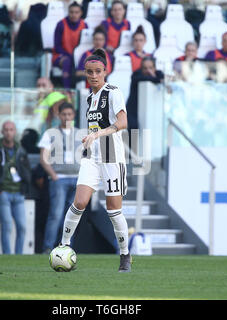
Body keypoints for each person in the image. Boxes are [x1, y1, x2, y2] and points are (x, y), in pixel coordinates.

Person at [58, 48, 132, 272]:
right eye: (89, 72)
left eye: (97, 71)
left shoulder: (113, 91)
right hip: (92, 155)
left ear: (105, 72)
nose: (93, 76)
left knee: (113, 210)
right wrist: (89, 136)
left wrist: (97, 134)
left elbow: (122, 122)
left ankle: (125, 255)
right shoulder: (89, 97)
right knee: (79, 202)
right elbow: (94, 126)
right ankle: (63, 246)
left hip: (111, 153)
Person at [38, 102, 81, 253]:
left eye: (69, 114)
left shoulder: (81, 133)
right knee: (56, 214)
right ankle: (48, 247)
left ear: (73, 115)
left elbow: (90, 157)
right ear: (59, 115)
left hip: (77, 180)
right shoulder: (50, 133)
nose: (67, 117)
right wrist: (53, 175)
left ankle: (66, 248)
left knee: (72, 217)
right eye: (64, 114)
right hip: (59, 179)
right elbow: (43, 158)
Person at [0, 121, 32, 255]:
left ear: (15, 132)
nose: (8, 132)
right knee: (7, 225)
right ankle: (7, 256)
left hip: (18, 193)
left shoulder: (21, 150)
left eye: (11, 129)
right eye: (6, 130)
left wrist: (25, 188)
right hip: (3, 192)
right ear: (2, 132)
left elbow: (27, 171)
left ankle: (18, 256)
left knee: (22, 227)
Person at [52, 1, 88, 88]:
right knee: (67, 62)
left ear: (81, 13)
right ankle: (67, 91)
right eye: (71, 12)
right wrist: (69, 55)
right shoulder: (61, 24)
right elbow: (57, 46)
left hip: (78, 56)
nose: (74, 15)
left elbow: (86, 44)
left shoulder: (84, 25)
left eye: (76, 12)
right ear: (68, 12)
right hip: (61, 55)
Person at [126, 56, 164, 130]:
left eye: (150, 68)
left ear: (155, 68)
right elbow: (147, 79)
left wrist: (156, 77)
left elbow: (164, 79)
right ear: (141, 68)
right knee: (134, 130)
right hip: (133, 110)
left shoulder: (159, 74)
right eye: (145, 68)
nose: (148, 71)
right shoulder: (136, 74)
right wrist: (155, 78)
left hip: (152, 111)